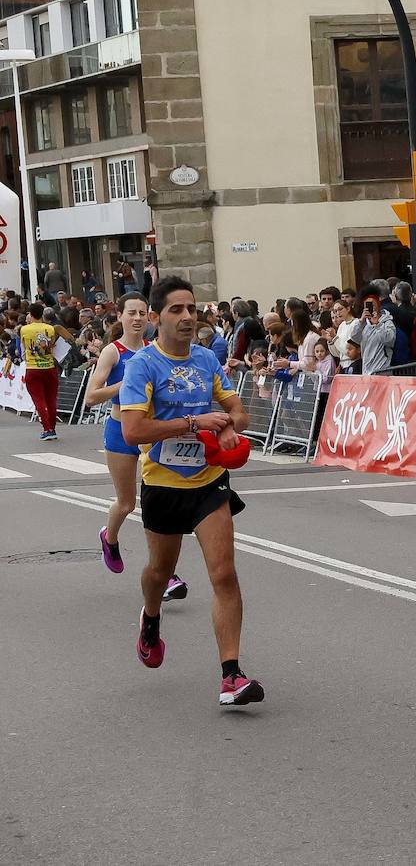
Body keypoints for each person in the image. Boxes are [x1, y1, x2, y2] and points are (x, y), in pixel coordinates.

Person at [119, 275, 264, 707]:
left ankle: (231, 677)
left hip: (207, 482)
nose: (187, 317)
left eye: (192, 309)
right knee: (159, 574)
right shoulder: (143, 365)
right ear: (155, 317)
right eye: (176, 310)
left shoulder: (206, 360)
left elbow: (237, 408)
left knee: (224, 574)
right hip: (163, 484)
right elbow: (132, 430)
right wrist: (192, 424)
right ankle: (150, 616)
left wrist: (232, 427)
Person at [84, 294, 193, 599]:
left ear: (150, 317)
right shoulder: (112, 352)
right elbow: (92, 397)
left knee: (155, 503)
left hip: (149, 431)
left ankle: (167, 573)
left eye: (142, 313)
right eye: (131, 313)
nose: (137, 318)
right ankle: (110, 536)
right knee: (127, 503)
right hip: (120, 431)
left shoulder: (153, 350)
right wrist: (127, 383)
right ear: (120, 316)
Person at [19, 302, 73, 440]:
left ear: (30, 315)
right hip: (49, 367)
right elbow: (52, 345)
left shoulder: (24, 329)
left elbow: (25, 346)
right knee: (51, 399)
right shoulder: (50, 328)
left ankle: (47, 428)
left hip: (33, 368)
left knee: (39, 400)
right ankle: (52, 428)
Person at [359, 294, 395, 375]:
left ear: (378, 306)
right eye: (367, 306)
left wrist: (378, 325)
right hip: (366, 370)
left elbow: (390, 340)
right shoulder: (363, 324)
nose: (371, 308)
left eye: (373, 305)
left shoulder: (387, 322)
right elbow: (354, 339)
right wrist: (360, 322)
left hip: (382, 368)